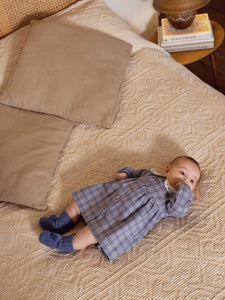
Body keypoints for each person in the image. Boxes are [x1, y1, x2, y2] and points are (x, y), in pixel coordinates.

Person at [39, 155, 200, 261]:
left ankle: (64, 244)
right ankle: (59, 224)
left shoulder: (171, 201)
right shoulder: (151, 174)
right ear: (167, 170)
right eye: (182, 172)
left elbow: (181, 210)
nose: (186, 179)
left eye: (191, 181)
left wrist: (183, 190)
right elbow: (136, 173)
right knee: (81, 202)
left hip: (122, 217)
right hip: (109, 195)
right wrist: (126, 173)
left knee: (93, 233)